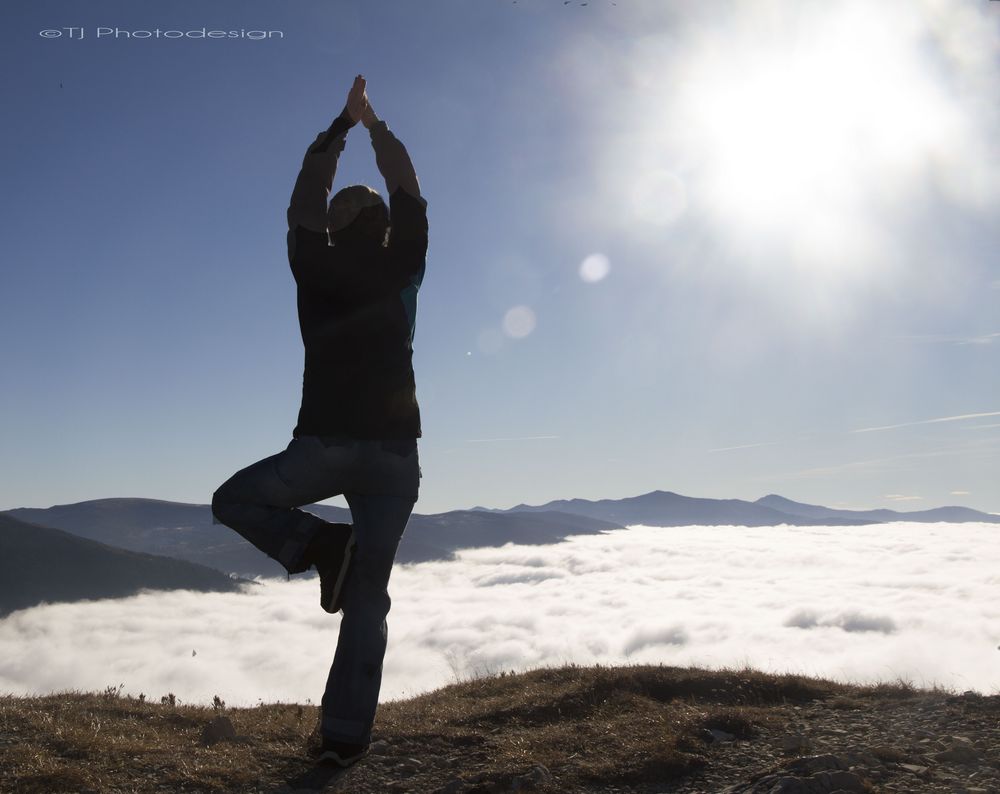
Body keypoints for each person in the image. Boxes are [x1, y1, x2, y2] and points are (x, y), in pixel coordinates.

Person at [211, 74, 427, 768]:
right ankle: (343, 738)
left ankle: (319, 549)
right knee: (370, 597)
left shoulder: (312, 262)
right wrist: (377, 129)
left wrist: (339, 128)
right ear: (384, 226)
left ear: (331, 226)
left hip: (326, 445)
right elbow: (407, 183)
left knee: (235, 500)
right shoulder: (405, 263)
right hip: (396, 457)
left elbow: (303, 196)